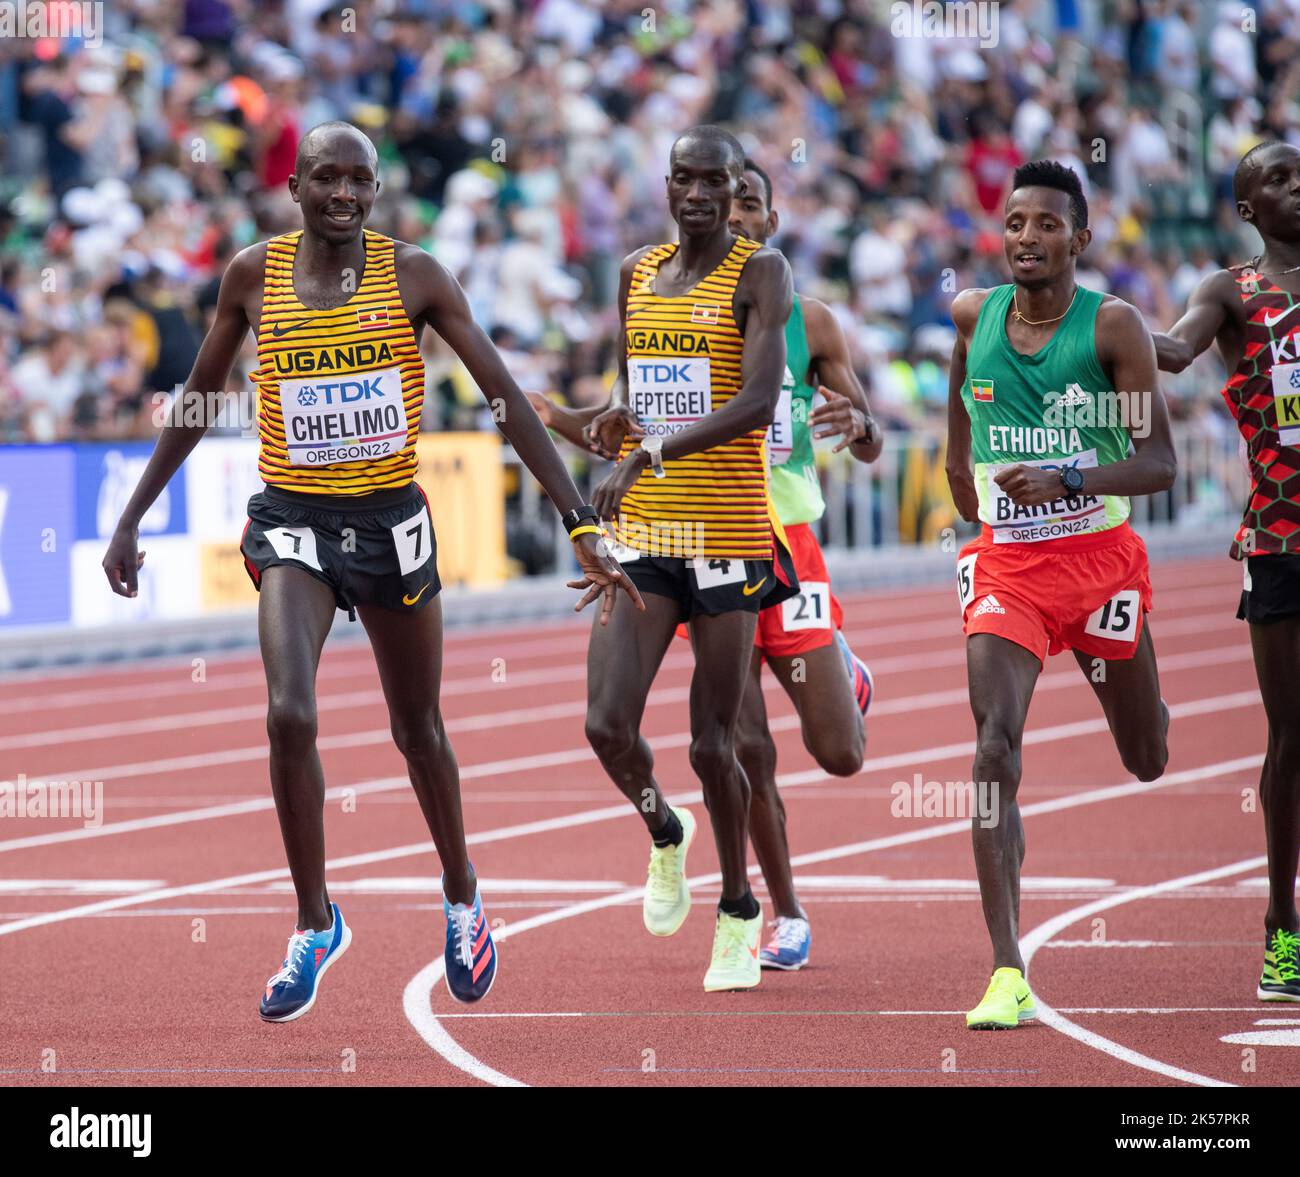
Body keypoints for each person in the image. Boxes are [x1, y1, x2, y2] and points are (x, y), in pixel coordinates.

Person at [102, 121, 640, 1022]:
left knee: (416, 727)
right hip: (294, 522)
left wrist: (577, 517)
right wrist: (131, 514)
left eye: (361, 180)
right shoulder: (252, 275)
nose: (345, 194)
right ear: (297, 188)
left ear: (378, 189)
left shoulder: (417, 274)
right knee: (288, 712)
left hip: (390, 521)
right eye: (328, 178)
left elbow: (504, 397)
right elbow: (199, 397)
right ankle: (315, 921)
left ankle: (463, 892)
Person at [531, 157, 881, 972]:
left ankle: (838, 663)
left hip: (781, 537)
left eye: (749, 202)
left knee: (838, 752)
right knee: (737, 743)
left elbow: (868, 439)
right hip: (679, 533)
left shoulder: (810, 321)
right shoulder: (653, 287)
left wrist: (859, 422)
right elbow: (627, 415)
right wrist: (550, 416)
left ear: (766, 221)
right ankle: (772, 910)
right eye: (731, 200)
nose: (739, 217)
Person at [945, 160, 1176, 1029]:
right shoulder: (976, 311)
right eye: (1014, 224)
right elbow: (962, 372)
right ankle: (1008, 969)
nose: (1026, 239)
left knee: (1146, 755)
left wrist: (1069, 472)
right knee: (993, 747)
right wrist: (952, 460)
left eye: (1046, 225)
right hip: (1008, 566)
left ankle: (1149, 710)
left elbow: (1159, 464)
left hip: (1102, 564)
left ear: (1080, 239)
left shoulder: (1114, 328)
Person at [571, 125, 796, 993]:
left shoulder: (760, 272)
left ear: (735, 185)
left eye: (716, 180)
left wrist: (650, 451)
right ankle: (666, 831)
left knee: (713, 742)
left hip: (727, 536)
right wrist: (616, 418)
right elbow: (646, 385)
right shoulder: (635, 272)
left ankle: (738, 910)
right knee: (606, 724)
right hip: (648, 535)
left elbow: (756, 399)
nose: (698, 193)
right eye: (684, 178)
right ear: (665, 184)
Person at [1152, 141, 1300, 1002]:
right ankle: (1283, 926)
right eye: (1276, 180)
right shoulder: (1230, 292)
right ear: (1247, 208)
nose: (1296, 186)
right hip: (1282, 542)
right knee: (1292, 739)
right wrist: (1087, 315)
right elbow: (1172, 354)